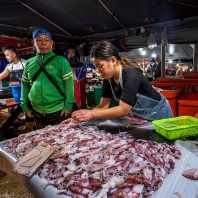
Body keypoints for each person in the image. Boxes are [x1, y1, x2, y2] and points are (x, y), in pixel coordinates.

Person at [67, 41, 173, 123]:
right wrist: (81, 117)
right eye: (96, 67)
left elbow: (123, 110)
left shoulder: (131, 75)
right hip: (141, 116)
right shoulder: (108, 79)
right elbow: (103, 106)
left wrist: (92, 113)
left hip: (159, 114)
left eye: (100, 66)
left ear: (113, 60)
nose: (98, 71)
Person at [20, 28, 76, 129]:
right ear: (33, 43)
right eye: (39, 39)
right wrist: (24, 105)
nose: (43, 42)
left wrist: (68, 105)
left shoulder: (61, 61)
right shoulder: (29, 63)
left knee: (60, 139)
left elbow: (69, 84)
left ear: (52, 42)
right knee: (42, 140)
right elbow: (25, 85)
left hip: (58, 110)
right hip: (36, 111)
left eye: (46, 39)